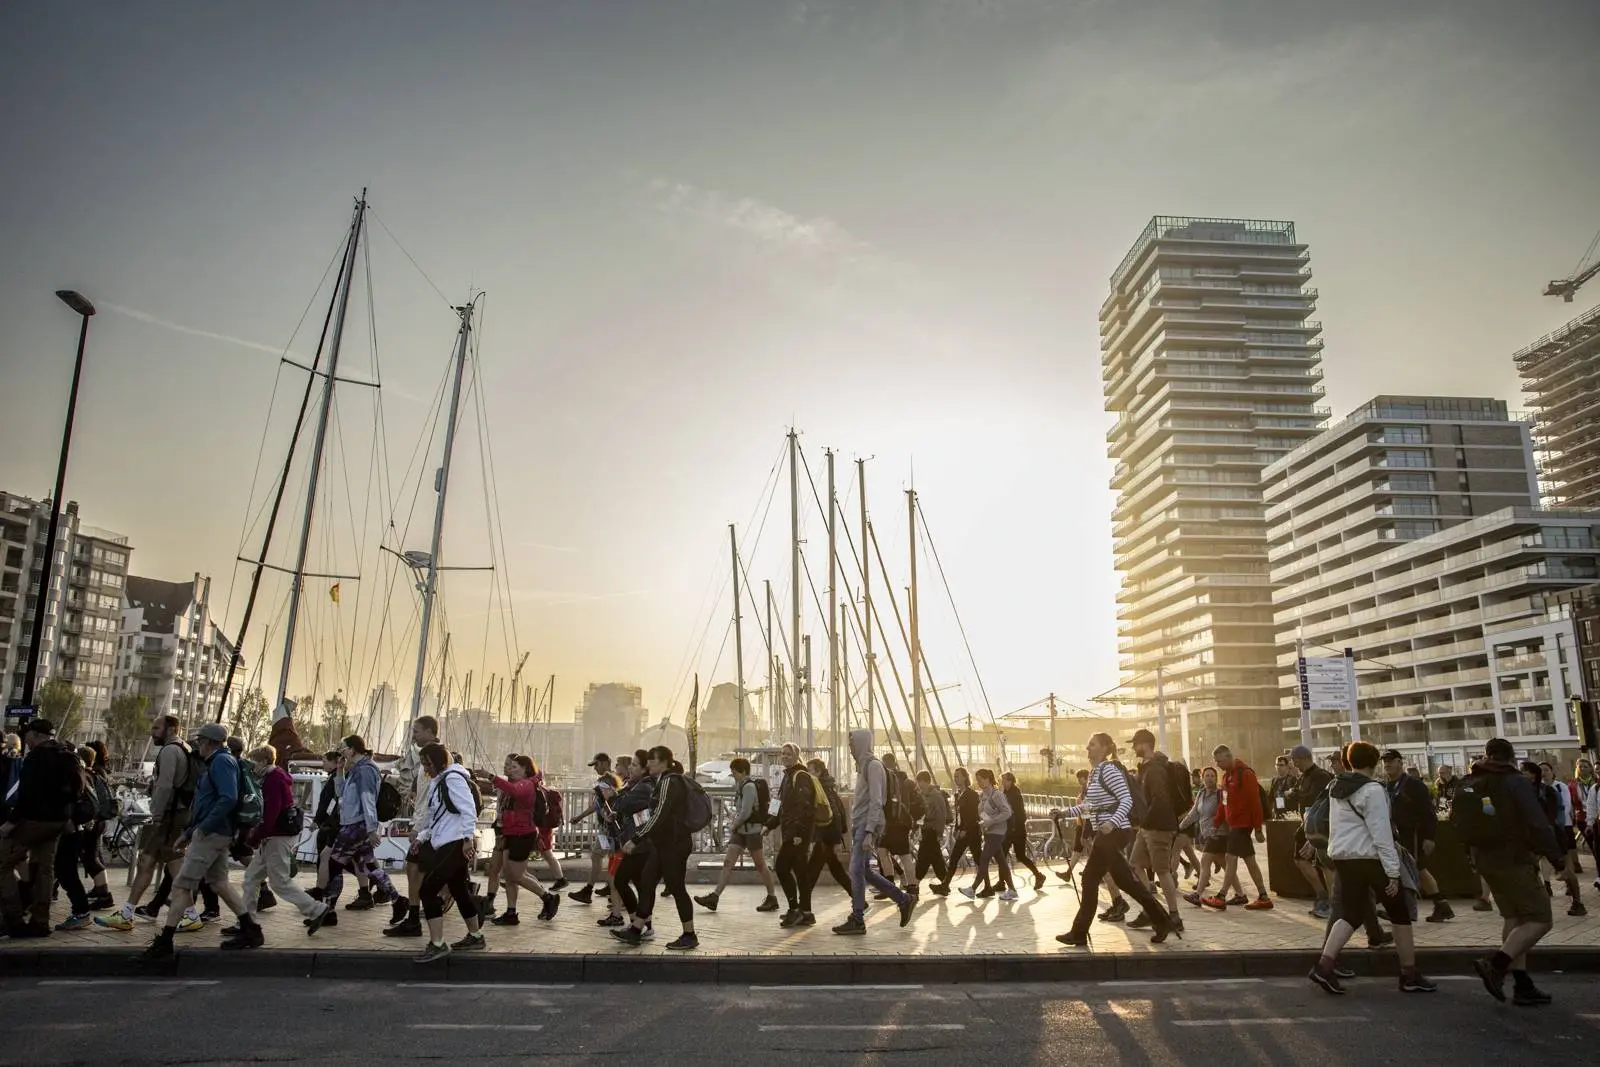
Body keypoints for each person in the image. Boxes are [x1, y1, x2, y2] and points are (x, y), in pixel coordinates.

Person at [1307, 741, 1436, 995]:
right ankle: (1409, 974)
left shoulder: (1336, 786)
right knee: (1399, 912)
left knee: (1351, 914)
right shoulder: (1372, 790)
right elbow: (1381, 834)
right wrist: (1392, 871)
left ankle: (1324, 966)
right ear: (1374, 762)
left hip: (1343, 858)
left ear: (1349, 762)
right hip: (1370, 859)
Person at [1455, 738, 1563, 1005]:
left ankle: (1522, 984)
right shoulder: (1513, 781)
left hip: (1483, 859)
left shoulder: (1474, 780)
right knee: (1540, 918)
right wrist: (1558, 859)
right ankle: (1496, 964)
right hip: (1512, 859)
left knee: (1515, 918)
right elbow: (1537, 822)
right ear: (1511, 757)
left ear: (1488, 755)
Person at [138, 723, 256, 961]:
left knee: (182, 885)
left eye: (200, 741)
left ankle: (165, 941)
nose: (197, 745)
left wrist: (201, 829)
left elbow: (228, 798)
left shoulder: (221, 762)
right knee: (219, 882)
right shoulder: (221, 761)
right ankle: (251, 930)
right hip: (215, 832)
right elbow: (209, 802)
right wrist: (189, 831)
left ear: (209, 743)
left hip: (211, 834)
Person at [1053, 733, 1175, 947]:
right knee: (1125, 881)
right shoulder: (1096, 772)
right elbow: (1089, 806)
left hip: (1114, 832)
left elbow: (1126, 799)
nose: (1087, 749)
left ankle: (1079, 932)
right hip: (1109, 832)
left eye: (1091, 745)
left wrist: (1112, 822)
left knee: (1090, 877)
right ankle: (1162, 920)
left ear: (1104, 748)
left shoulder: (1108, 770)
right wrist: (1063, 812)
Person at [97, 716, 196, 932]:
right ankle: (127, 913)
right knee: (148, 861)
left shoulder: (170, 751)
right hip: (175, 814)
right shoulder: (184, 747)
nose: (152, 732)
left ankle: (190, 914)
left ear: (170, 729)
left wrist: (156, 813)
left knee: (171, 865)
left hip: (169, 816)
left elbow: (164, 786)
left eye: (156, 727)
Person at [226, 744, 329, 943]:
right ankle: (246, 922)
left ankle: (317, 909)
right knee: (251, 879)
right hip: (273, 836)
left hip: (276, 837)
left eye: (255, 762)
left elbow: (270, 814)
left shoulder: (273, 780)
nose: (252, 767)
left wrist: (254, 838)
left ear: (264, 761)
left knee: (279, 881)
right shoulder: (275, 777)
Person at [0, 719, 81, 937]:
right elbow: (76, 791)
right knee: (45, 868)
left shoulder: (36, 758)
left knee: (3, 862)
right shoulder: (66, 753)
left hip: (34, 821)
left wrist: (11, 822)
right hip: (58, 822)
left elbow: (26, 794)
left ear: (35, 735)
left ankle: (13, 918)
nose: (25, 739)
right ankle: (40, 921)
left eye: (27, 735)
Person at [612, 746, 697, 950]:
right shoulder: (662, 781)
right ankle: (636, 929)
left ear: (664, 762)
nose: (648, 763)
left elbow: (659, 815)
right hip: (663, 844)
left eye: (653, 760)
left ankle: (689, 934)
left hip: (674, 844)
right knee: (648, 882)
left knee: (677, 888)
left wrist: (637, 838)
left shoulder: (670, 781)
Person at [411, 743, 486, 962]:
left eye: (428, 764)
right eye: (424, 764)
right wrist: (422, 837)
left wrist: (466, 839)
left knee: (427, 890)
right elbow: (438, 817)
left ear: (439, 762)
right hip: (445, 842)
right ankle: (475, 935)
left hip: (454, 844)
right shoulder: (440, 781)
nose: (426, 769)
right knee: (459, 890)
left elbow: (468, 809)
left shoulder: (452, 779)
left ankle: (438, 943)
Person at [833, 729, 912, 935]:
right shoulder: (863, 767)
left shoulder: (873, 766)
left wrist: (869, 832)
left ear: (861, 743)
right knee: (864, 870)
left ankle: (857, 918)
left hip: (867, 827)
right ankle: (903, 900)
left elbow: (878, 801)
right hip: (861, 825)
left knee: (856, 870)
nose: (850, 748)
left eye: (852, 744)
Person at [319, 736, 403, 929]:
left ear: (354, 749)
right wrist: (339, 770)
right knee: (369, 866)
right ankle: (398, 900)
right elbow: (340, 793)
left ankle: (328, 911)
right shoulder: (355, 769)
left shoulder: (365, 770)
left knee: (333, 864)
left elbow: (368, 799)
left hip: (356, 825)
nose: (342, 752)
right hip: (354, 823)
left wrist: (372, 828)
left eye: (344, 749)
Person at [695, 757, 780, 913]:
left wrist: (734, 825)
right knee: (728, 863)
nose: (733, 775)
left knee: (760, 865)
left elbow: (746, 811)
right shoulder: (740, 786)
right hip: (741, 831)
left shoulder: (748, 787)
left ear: (742, 772)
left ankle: (772, 896)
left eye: (734, 772)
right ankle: (715, 896)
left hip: (751, 831)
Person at [486, 754, 561, 924]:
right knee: (510, 875)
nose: (510, 770)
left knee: (517, 875)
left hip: (522, 834)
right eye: (509, 767)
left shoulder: (527, 784)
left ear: (525, 770)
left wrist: (491, 777)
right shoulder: (513, 784)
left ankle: (547, 898)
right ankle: (511, 912)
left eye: (514, 767)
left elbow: (515, 791)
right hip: (510, 833)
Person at [1379, 749, 1451, 923]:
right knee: (1417, 870)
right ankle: (1441, 906)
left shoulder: (1414, 785)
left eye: (1391, 760)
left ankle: (1407, 910)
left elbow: (1428, 813)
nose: (1387, 764)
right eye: (1384, 761)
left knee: (1414, 870)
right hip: (1396, 836)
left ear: (1400, 762)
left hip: (1413, 835)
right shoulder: (1387, 785)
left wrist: (1429, 837)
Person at [1126, 729, 1187, 932]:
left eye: (1135, 744)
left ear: (1145, 744)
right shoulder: (1146, 768)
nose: (1133, 748)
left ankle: (1174, 917)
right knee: (1135, 863)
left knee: (1161, 870)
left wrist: (1145, 820)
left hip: (1158, 827)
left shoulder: (1155, 770)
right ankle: (1150, 910)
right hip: (1147, 827)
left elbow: (1159, 800)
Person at [1202, 745, 1272, 910]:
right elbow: (1223, 804)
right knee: (1250, 861)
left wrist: (1258, 829)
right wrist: (1216, 823)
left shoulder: (1245, 774)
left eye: (1219, 761)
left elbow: (1255, 803)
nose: (1217, 764)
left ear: (1228, 757)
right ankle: (1263, 896)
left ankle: (1221, 896)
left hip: (1243, 825)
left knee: (1230, 858)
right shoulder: (1226, 778)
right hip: (1235, 825)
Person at [53, 746, 101, 931]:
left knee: (67, 873)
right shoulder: (81, 778)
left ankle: (81, 913)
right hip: (77, 831)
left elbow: (64, 808)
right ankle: (81, 912)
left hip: (70, 832)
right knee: (66, 872)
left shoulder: (67, 784)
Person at [772, 742, 819, 928]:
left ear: (796, 755)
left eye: (788, 754)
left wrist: (799, 833)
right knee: (800, 872)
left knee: (782, 868)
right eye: (782, 754)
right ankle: (806, 913)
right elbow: (780, 805)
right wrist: (769, 824)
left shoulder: (800, 777)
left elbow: (805, 806)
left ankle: (794, 909)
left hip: (797, 833)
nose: (784, 757)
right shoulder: (787, 776)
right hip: (791, 830)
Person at [1527, 762, 1583, 916]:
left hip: (1553, 836)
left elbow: (1555, 815)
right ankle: (1538, 903)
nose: (1522, 775)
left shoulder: (1549, 791)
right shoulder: (1526, 792)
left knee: (1564, 868)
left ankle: (1577, 901)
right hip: (1534, 838)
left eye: (1524, 771)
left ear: (1532, 774)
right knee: (1531, 868)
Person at [1288, 745, 1335, 919]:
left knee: (1325, 864)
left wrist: (1296, 794)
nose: (1294, 764)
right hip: (1306, 823)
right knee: (1300, 859)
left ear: (1301, 758)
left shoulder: (1320, 776)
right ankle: (1322, 895)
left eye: (1295, 760)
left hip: (1320, 826)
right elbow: (1300, 794)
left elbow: (1318, 801)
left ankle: (1332, 903)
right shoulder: (1304, 777)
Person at [568, 753, 621, 904]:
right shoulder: (606, 782)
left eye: (596, 765)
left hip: (608, 830)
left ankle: (602, 891)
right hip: (605, 829)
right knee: (606, 858)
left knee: (600, 857)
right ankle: (611, 890)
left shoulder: (607, 783)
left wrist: (582, 816)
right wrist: (579, 817)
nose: (595, 768)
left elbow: (602, 806)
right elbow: (597, 805)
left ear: (605, 763)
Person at [961, 768, 1016, 900]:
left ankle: (972, 889)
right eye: (977, 779)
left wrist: (991, 821)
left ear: (988, 779)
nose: (978, 782)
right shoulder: (982, 795)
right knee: (1001, 861)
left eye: (980, 779)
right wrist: (983, 822)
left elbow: (1007, 812)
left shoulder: (997, 794)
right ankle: (1012, 889)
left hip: (997, 833)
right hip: (989, 832)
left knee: (984, 858)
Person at [803, 757, 853, 895]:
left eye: (810, 771)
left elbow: (823, 812)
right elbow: (839, 810)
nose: (808, 774)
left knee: (813, 870)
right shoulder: (828, 786)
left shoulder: (820, 787)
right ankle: (858, 898)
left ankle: (802, 906)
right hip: (829, 834)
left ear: (818, 771)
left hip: (825, 834)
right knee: (835, 868)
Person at [877, 752, 921, 900]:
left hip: (894, 822)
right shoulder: (906, 781)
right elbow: (919, 804)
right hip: (898, 822)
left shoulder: (887, 779)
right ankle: (895, 886)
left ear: (885, 763)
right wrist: (912, 818)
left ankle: (910, 887)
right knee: (884, 852)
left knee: (899, 855)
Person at [1180, 767, 1225, 906]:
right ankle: (1240, 893)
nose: (1209, 778)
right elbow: (1194, 813)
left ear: (1216, 778)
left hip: (1218, 834)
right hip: (1207, 834)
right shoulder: (1201, 793)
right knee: (1225, 864)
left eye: (1212, 775)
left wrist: (1217, 826)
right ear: (1203, 777)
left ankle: (1197, 895)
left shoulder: (1221, 793)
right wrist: (1181, 826)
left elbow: (1226, 811)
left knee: (1205, 862)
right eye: (1207, 775)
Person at [937, 767, 984, 895]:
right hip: (962, 831)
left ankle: (988, 887)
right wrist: (956, 828)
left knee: (978, 859)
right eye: (954, 776)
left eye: (957, 776)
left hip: (972, 832)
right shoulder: (958, 795)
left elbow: (973, 815)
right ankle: (945, 885)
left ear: (964, 777)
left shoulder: (972, 795)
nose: (955, 778)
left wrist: (964, 829)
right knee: (954, 858)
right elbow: (959, 815)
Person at [1000, 771, 1045, 892]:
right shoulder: (1006, 793)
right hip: (1010, 830)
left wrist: (1013, 827)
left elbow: (1021, 815)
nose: (1002, 782)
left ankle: (1039, 875)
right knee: (1002, 855)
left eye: (1003, 780)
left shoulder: (1015, 794)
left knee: (1020, 856)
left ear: (1009, 781)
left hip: (1017, 831)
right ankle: (1001, 882)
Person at [913, 770, 951, 893]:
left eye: (920, 782)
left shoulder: (935, 795)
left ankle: (915, 885)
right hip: (925, 830)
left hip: (932, 830)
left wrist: (939, 833)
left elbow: (941, 814)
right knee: (936, 859)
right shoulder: (922, 794)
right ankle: (945, 884)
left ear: (925, 781)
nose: (918, 784)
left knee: (923, 857)